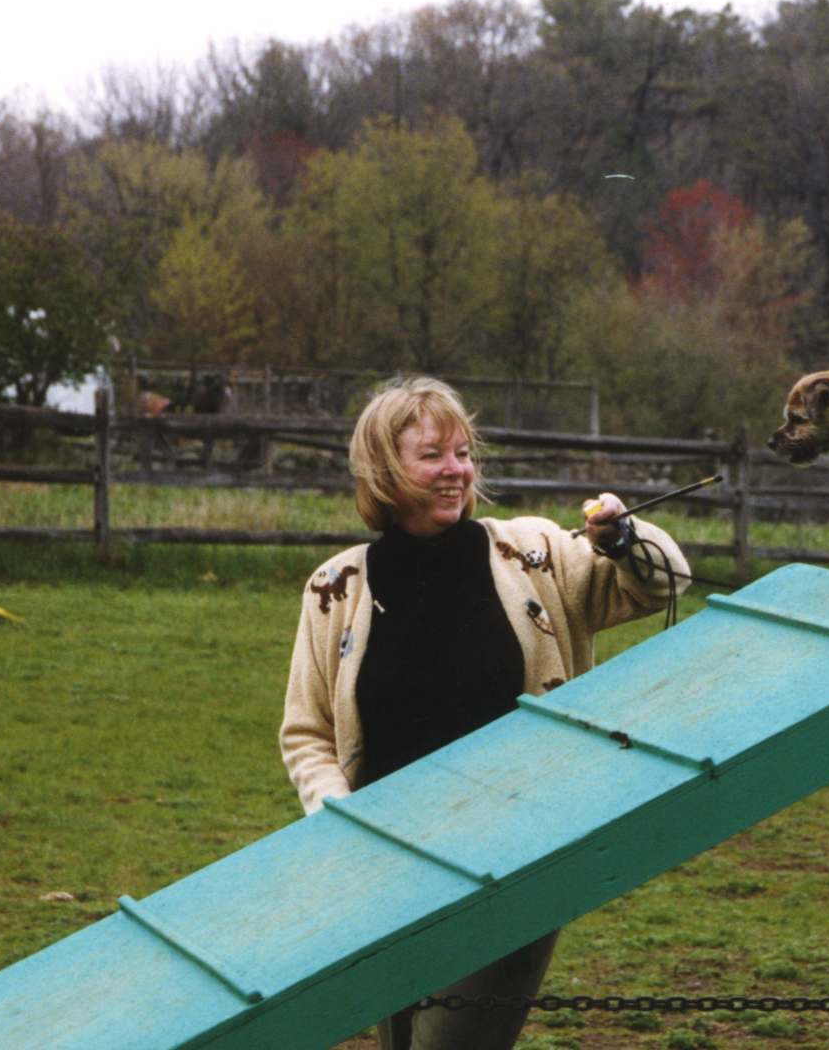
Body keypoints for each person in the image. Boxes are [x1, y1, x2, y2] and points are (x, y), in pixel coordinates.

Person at [280, 375, 690, 1050]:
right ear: (385, 469)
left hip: (515, 857)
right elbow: (307, 735)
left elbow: (665, 582)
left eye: (464, 454)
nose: (457, 470)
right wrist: (338, 822)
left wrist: (621, 537)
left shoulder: (530, 554)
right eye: (434, 454)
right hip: (387, 864)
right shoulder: (335, 587)